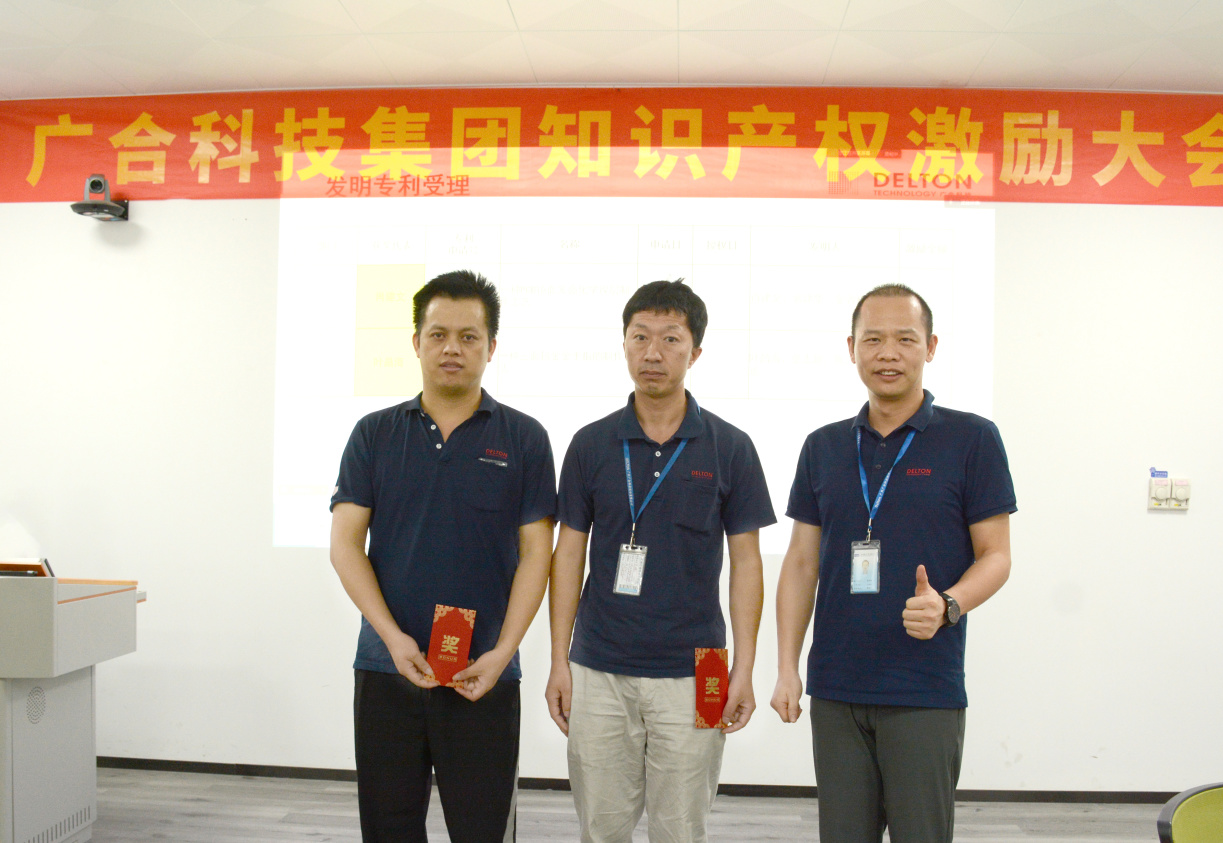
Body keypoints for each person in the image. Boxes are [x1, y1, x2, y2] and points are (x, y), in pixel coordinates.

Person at [771, 283, 1016, 843]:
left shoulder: (972, 438)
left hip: (923, 687)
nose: (888, 354)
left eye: (904, 339)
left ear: (930, 347)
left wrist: (949, 604)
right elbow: (802, 564)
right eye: (873, 340)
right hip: (836, 687)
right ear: (851, 348)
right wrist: (788, 666)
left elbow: (997, 555)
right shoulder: (823, 446)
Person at [330, 270, 556, 843]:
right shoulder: (374, 434)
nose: (452, 348)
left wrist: (504, 652)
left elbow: (538, 554)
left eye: (468, 336)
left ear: (491, 346)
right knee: (389, 829)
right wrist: (392, 638)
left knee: (482, 831)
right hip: (388, 667)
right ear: (416, 343)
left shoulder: (525, 438)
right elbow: (345, 544)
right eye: (438, 335)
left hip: (484, 672)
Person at [545, 279, 775, 843]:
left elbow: (747, 564)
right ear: (624, 344)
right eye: (640, 337)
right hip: (598, 665)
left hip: (698, 666)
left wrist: (744, 668)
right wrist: (559, 660)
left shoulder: (731, 446)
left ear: (695, 352)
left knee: (681, 829)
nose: (653, 352)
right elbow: (568, 554)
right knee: (601, 828)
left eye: (671, 339)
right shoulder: (590, 444)